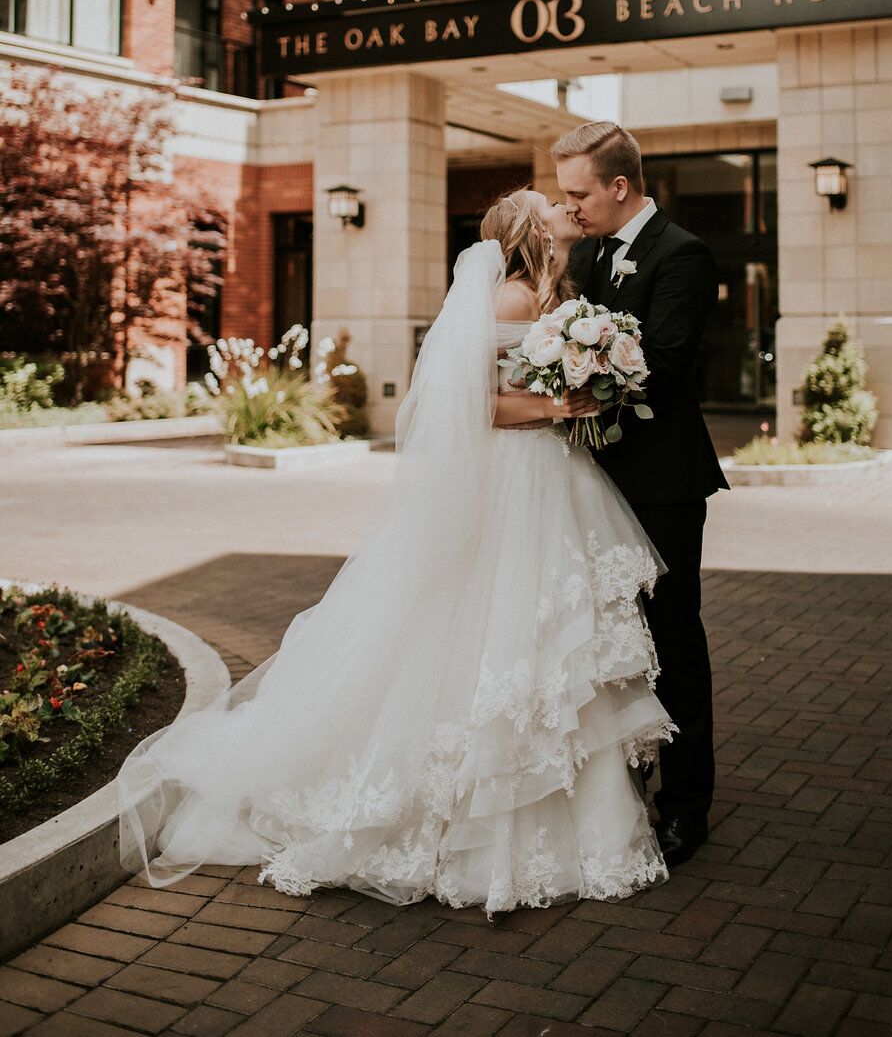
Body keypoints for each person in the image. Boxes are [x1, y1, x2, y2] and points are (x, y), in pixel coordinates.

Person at [118, 190, 676, 915]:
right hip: (513, 481)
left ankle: (585, 814)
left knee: (555, 638)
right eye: (551, 203)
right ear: (533, 230)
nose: (565, 205)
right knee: (493, 624)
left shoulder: (568, 291)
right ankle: (458, 810)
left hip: (556, 478)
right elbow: (474, 402)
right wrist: (555, 405)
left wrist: (591, 383)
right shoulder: (508, 299)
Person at [553, 121, 728, 867]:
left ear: (619, 186)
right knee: (609, 640)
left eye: (579, 193)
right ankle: (623, 778)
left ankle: (687, 805)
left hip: (661, 484)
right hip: (594, 480)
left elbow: (659, 359)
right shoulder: (589, 252)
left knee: (672, 639)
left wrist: (566, 377)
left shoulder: (683, 255)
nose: (573, 207)